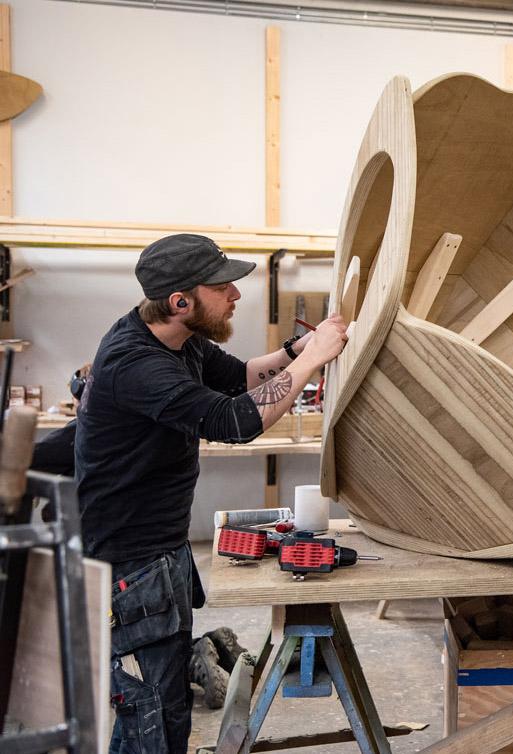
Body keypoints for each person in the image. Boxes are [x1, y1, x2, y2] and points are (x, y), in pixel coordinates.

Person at [74, 234, 347, 753]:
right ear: (180, 302)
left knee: (169, 699)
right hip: (129, 563)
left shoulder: (182, 341)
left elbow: (241, 378)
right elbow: (235, 420)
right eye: (223, 288)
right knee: (149, 713)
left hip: (163, 550)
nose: (236, 296)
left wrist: (297, 349)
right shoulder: (134, 362)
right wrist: (309, 364)